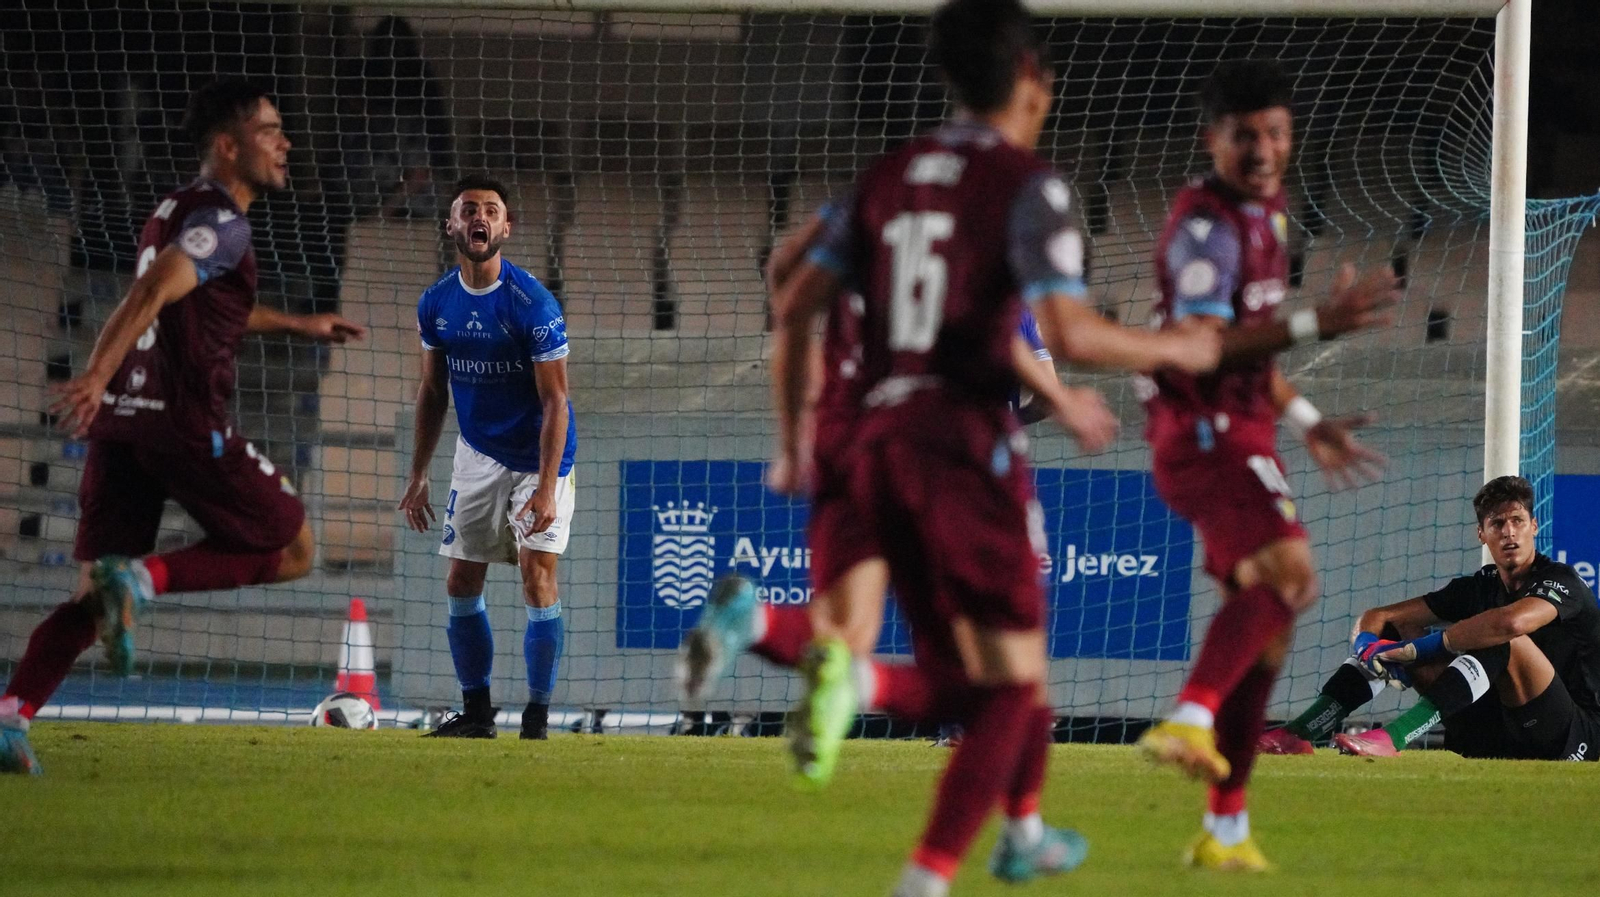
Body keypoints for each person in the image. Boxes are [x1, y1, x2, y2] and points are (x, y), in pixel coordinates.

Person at [762, 2, 1221, 893]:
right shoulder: (1027, 184)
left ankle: (1007, 830)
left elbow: (792, 302)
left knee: (968, 679)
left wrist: (792, 446)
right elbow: (1068, 329)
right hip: (966, 446)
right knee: (1013, 687)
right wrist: (1177, 347)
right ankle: (929, 863)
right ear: (1030, 77)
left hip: (873, 444)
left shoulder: (886, 176)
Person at [0, 79, 366, 775]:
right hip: (185, 423)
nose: (285, 141)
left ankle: (10, 716)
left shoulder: (174, 209)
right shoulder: (224, 220)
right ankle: (147, 575)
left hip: (123, 430)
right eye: (269, 130)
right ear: (228, 147)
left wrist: (297, 322)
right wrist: (98, 371)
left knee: (92, 594)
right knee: (294, 548)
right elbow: (153, 289)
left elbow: (200, 298)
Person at [1130, 59, 1398, 870]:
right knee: (1290, 578)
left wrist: (1309, 419)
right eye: (1246, 134)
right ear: (1214, 138)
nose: (1264, 148)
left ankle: (1226, 828)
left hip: (1241, 425)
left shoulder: (1270, 216)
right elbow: (1208, 346)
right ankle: (1189, 715)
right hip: (1200, 428)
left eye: (1276, 132)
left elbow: (1251, 348)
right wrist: (1321, 320)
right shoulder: (1207, 225)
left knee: (1271, 625)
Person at [398, 175, 575, 741]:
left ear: (505, 227)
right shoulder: (436, 303)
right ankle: (477, 714)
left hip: (538, 457)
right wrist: (420, 471)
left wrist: (546, 487)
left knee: (535, 576)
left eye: (491, 210)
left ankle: (538, 717)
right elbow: (432, 393)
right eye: (468, 209)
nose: (480, 217)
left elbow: (556, 401)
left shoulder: (533, 304)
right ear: (451, 225)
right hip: (476, 454)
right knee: (459, 581)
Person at [1260, 476, 1600, 762]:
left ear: (1534, 527)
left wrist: (1424, 649)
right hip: (1496, 730)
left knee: (1501, 638)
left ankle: (1392, 738)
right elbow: (1379, 617)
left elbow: (1511, 624)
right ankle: (1301, 732)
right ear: (1482, 534)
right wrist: (1369, 647)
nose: (1509, 532)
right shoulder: (1478, 586)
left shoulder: (1562, 580)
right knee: (1395, 631)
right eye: (1497, 523)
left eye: (1518, 521)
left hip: (1572, 734)